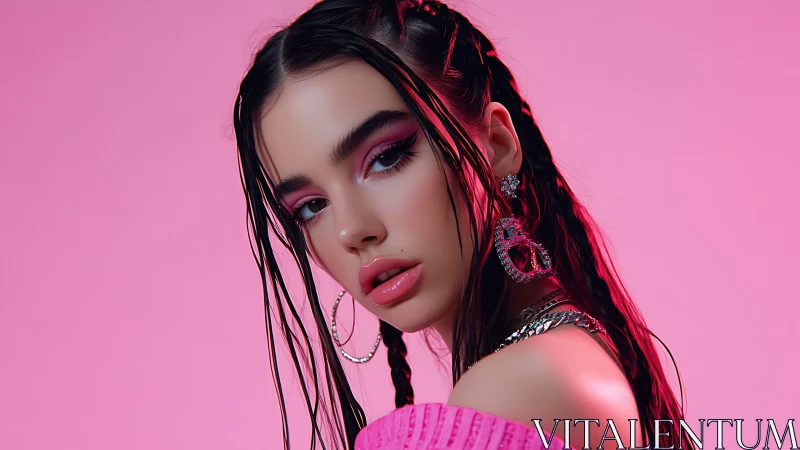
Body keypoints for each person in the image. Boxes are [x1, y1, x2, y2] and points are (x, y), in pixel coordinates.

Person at [232, 0, 694, 449]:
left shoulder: (518, 386)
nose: (352, 231)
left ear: (495, 143)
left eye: (387, 157)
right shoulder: (565, 359)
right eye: (311, 206)